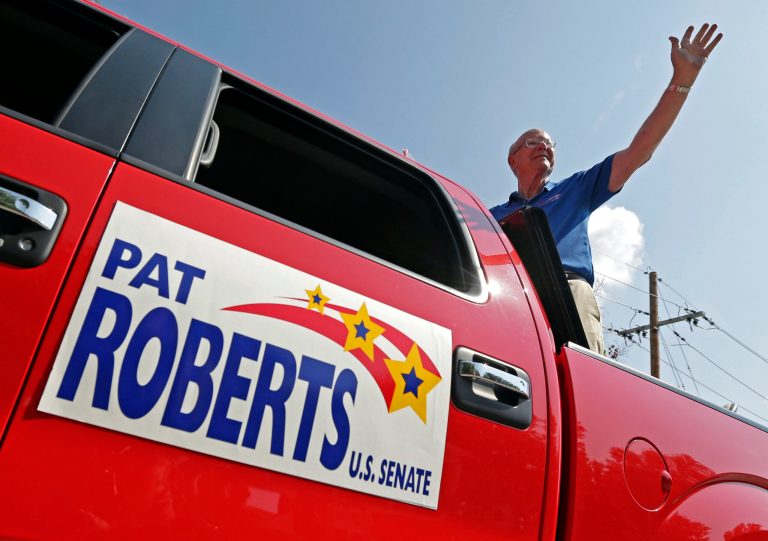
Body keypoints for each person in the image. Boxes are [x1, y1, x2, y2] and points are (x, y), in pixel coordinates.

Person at [490, 24, 723, 355]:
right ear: (513, 159)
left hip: (567, 293)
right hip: (510, 300)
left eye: (549, 143)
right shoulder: (491, 217)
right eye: (533, 141)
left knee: (581, 384)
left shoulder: (577, 189)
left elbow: (639, 151)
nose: (544, 146)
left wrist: (682, 81)